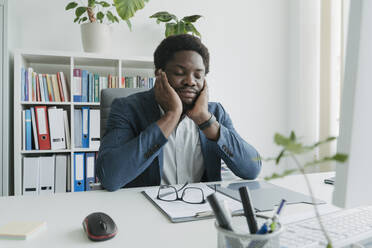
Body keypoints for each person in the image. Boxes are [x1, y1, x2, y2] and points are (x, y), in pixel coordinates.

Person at [96, 34, 261, 191]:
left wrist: (205, 120)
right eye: (179, 73)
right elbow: (110, 177)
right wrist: (171, 116)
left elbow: (252, 169)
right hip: (147, 211)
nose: (190, 81)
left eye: (198, 75)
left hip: (201, 210)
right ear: (159, 74)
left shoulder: (215, 112)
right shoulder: (127, 108)